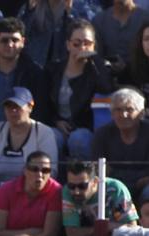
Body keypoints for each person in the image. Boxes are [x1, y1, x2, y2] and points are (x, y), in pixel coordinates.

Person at [0, 86, 58, 201]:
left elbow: (51, 170)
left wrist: (24, 188)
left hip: (32, 192)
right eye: (9, 106)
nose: (13, 111)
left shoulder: (44, 132)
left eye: (17, 106)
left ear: (30, 107)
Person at [48, 19, 113, 165]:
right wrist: (56, 121)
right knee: (51, 136)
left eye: (87, 44)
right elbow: (44, 103)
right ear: (68, 45)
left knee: (79, 139)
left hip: (84, 128)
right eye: (76, 44)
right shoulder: (54, 70)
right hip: (58, 125)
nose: (82, 48)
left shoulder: (97, 70)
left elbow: (106, 88)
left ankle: (83, 178)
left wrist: (95, 58)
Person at [91, 87, 149, 202]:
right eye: (118, 110)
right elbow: (99, 168)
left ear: (141, 113)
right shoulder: (102, 134)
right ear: (111, 113)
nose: (124, 114)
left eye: (130, 109)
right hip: (113, 183)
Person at [0, 149, 61, 236]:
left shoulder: (55, 191)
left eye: (45, 170)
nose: (40, 174)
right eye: (34, 169)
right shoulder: (6, 190)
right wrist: (29, 233)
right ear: (25, 170)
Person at [62, 158, 138, 236]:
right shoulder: (67, 191)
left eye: (82, 186)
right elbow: (72, 235)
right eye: (71, 186)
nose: (76, 191)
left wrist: (89, 231)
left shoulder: (116, 189)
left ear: (95, 182)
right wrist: (104, 227)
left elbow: (132, 229)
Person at [94, 0, 149, 75]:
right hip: (107, 80)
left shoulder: (146, 20)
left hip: (141, 79)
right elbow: (97, 59)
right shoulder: (99, 21)